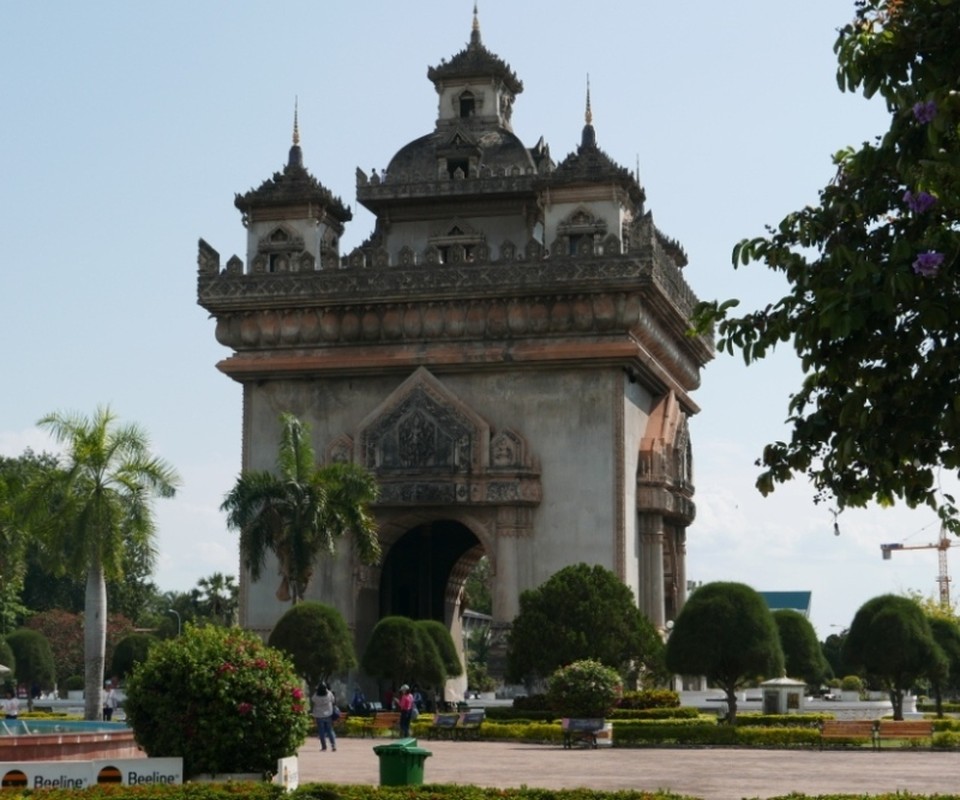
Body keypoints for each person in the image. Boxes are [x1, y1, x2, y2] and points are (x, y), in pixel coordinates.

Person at [311, 683, 337, 752]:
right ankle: (333, 745)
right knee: (330, 730)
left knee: (321, 731)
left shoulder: (316, 695)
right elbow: (333, 700)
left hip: (319, 715)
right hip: (328, 714)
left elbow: (313, 700)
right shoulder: (329, 694)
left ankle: (324, 747)